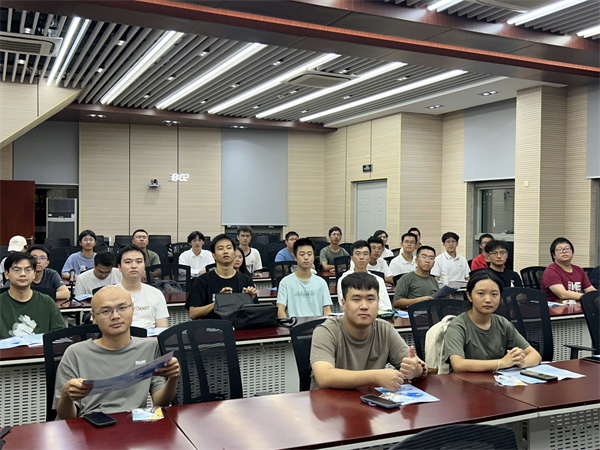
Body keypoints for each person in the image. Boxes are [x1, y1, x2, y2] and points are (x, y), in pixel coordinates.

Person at [53, 285, 180, 419]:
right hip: (92, 425)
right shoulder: (75, 354)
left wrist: (173, 378)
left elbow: (160, 403)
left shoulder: (150, 347)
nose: (115, 316)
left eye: (122, 308)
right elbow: (67, 418)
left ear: (133, 309)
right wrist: (66, 395)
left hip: (136, 423)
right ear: (94, 317)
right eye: (106, 311)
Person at [310, 272, 428, 390]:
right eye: (356, 299)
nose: (364, 306)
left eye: (370, 299)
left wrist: (417, 370)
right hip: (330, 400)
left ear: (378, 303)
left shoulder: (385, 330)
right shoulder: (326, 331)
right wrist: (375, 377)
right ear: (344, 304)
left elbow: (420, 365)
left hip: (370, 399)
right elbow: (324, 377)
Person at [443, 269, 542, 373]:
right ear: (469, 296)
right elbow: (458, 365)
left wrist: (521, 362)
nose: (488, 300)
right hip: (465, 382)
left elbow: (535, 355)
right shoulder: (458, 326)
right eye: (481, 293)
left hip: (497, 380)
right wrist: (501, 363)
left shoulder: (502, 323)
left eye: (494, 294)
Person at [186, 234, 257, 320]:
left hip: (238, 326)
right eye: (220, 248)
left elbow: (254, 315)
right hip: (212, 326)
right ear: (214, 256)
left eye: (229, 248)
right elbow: (193, 314)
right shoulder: (202, 281)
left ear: (234, 253)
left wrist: (248, 300)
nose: (225, 251)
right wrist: (219, 302)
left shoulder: (246, 280)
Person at [0, 252, 65, 338]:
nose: (23, 274)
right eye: (17, 270)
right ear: (6, 274)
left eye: (28, 270)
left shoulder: (47, 302)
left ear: (34, 274)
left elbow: (60, 336)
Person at [115, 245, 169, 328]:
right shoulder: (108, 294)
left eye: (139, 262)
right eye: (128, 262)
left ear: (144, 266)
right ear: (119, 267)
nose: (134, 266)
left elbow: (162, 327)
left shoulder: (156, 294)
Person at [276, 238, 332, 318]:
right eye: (302, 254)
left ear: (313, 257)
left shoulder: (321, 283)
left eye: (309, 254)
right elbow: (280, 310)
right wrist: (287, 324)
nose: (306, 257)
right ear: (295, 258)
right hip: (294, 325)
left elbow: (327, 310)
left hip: (318, 325)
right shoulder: (285, 282)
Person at [337, 240, 392, 311]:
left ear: (369, 258)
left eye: (365, 254)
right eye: (358, 254)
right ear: (352, 258)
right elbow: (344, 306)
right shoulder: (343, 279)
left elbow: (387, 307)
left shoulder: (378, 280)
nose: (361, 257)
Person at [541, 237, 596, 302]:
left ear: (572, 253)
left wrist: (596, 296)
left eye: (567, 249)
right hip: (556, 307)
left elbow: (590, 290)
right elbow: (563, 295)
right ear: (553, 255)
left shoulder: (579, 270)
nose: (564, 251)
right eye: (560, 249)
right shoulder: (551, 271)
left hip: (577, 306)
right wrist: (587, 297)